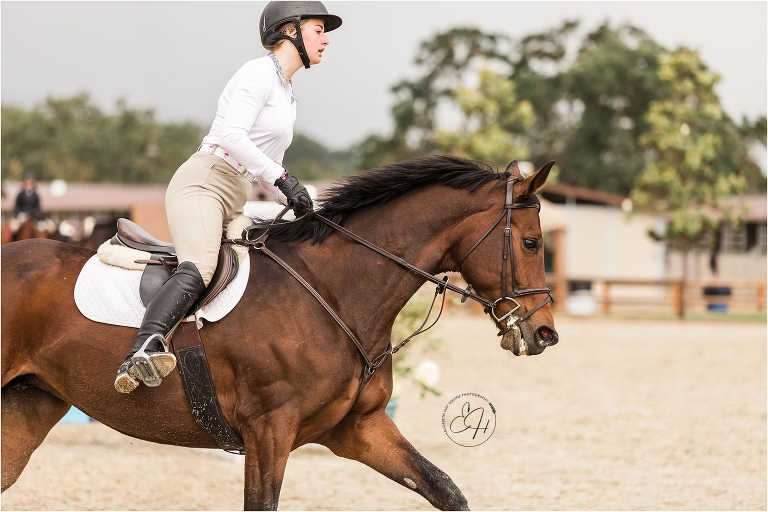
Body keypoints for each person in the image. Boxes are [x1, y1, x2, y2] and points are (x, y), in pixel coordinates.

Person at [115, 1, 342, 393]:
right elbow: (232, 138)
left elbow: (267, 167)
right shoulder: (257, 73)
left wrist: (302, 204)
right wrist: (283, 177)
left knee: (270, 259)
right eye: (319, 29)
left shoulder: (287, 95)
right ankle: (145, 346)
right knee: (201, 266)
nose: (326, 40)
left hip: (234, 194)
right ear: (290, 31)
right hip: (204, 182)